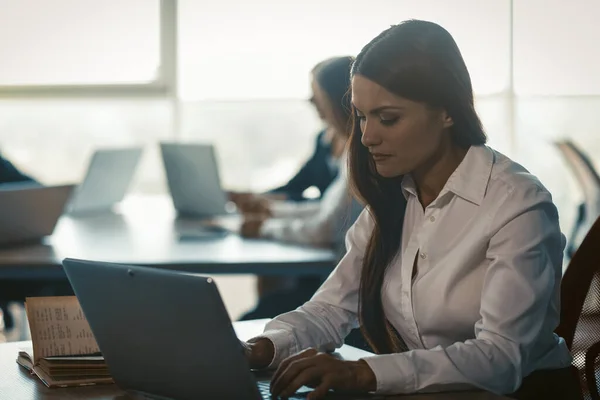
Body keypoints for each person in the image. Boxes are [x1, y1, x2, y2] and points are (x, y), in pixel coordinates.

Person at [241, 20, 579, 400]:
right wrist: (262, 348)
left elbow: (500, 357)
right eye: (362, 117)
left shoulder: (517, 203)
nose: (367, 137)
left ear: (447, 112)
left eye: (388, 118)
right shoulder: (392, 198)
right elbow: (329, 310)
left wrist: (363, 373)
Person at [237, 56, 363, 321]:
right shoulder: (338, 145)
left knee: (255, 318)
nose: (312, 102)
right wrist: (270, 209)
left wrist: (266, 225)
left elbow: (326, 226)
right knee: (267, 301)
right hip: (335, 273)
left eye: (316, 95)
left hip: (341, 281)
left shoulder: (361, 152)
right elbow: (322, 205)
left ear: (336, 98)